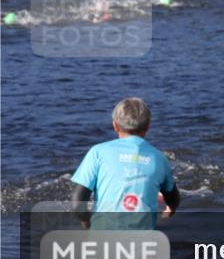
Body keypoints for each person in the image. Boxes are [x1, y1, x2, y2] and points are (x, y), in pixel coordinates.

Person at [70, 97, 180, 230]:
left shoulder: (98, 152)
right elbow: (173, 199)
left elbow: (77, 204)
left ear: (115, 125)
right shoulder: (159, 158)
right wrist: (170, 210)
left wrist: (86, 223)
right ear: (148, 125)